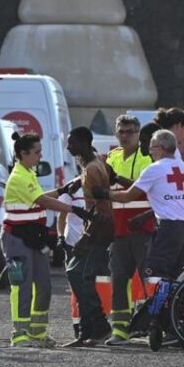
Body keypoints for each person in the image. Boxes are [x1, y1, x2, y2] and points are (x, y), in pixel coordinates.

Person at [94, 129, 184, 348]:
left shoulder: (155, 169)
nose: (150, 151)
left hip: (168, 228)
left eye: (152, 147)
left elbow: (128, 195)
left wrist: (104, 194)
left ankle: (154, 322)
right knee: (178, 278)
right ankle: (175, 327)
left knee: (155, 276)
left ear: (160, 148)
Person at [2, 132, 93, 348]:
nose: (40, 156)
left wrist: (61, 191)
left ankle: (38, 331)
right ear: (23, 153)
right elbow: (44, 201)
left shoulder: (28, 173)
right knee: (21, 286)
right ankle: (20, 334)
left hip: (32, 238)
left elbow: (41, 197)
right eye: (37, 152)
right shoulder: (19, 177)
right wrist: (74, 209)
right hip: (16, 239)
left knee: (44, 285)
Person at [103, 115, 155, 346]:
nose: (125, 136)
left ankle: (155, 327)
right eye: (121, 131)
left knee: (149, 279)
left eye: (130, 132)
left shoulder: (147, 157)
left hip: (142, 228)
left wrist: (115, 177)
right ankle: (120, 329)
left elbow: (140, 189)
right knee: (119, 280)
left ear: (138, 134)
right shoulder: (112, 157)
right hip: (118, 229)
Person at [63, 127, 115, 347]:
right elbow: (110, 174)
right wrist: (78, 180)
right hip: (97, 227)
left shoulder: (93, 168)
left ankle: (100, 325)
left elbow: (102, 210)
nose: (68, 147)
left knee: (76, 273)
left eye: (72, 143)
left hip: (99, 229)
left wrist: (86, 237)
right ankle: (86, 332)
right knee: (82, 276)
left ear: (84, 143)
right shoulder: (95, 161)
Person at [56, 167, 86, 338]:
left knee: (92, 287)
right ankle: (77, 325)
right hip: (73, 245)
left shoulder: (101, 187)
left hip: (93, 245)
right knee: (76, 287)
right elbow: (61, 217)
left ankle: (92, 323)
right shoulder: (72, 188)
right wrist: (60, 237)